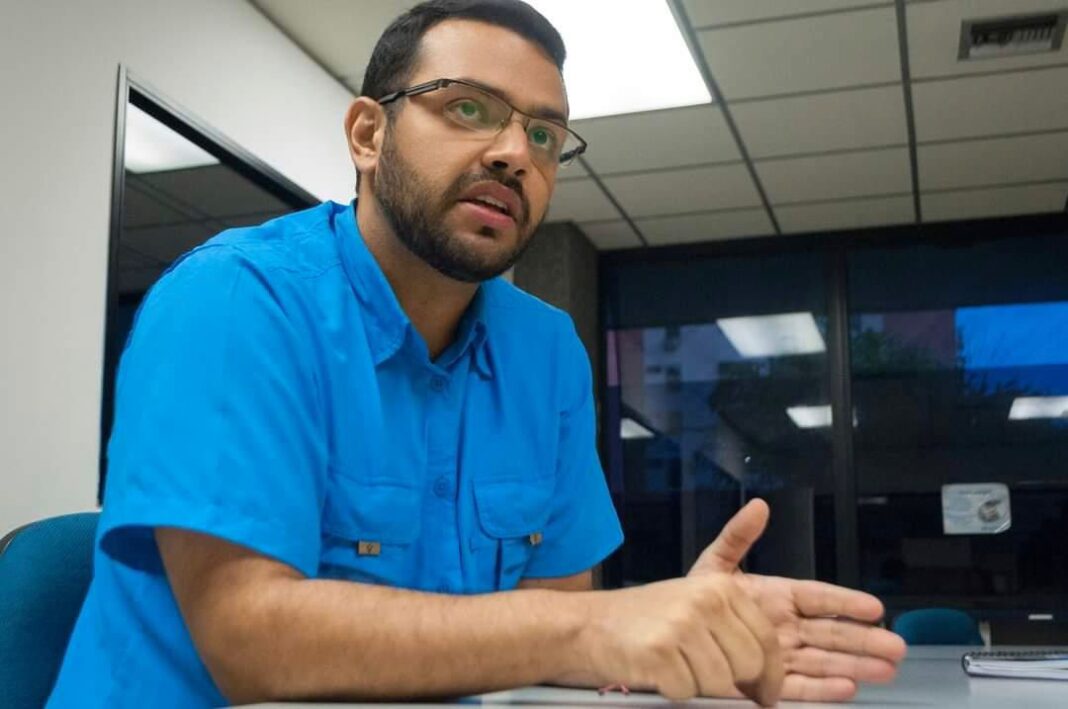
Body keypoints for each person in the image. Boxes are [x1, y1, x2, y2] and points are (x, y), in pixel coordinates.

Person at [47, 1, 906, 707]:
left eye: (545, 136)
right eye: (468, 108)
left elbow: (551, 632)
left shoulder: (547, 352)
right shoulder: (237, 300)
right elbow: (249, 641)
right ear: (367, 134)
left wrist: (689, 646)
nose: (513, 153)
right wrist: (601, 629)